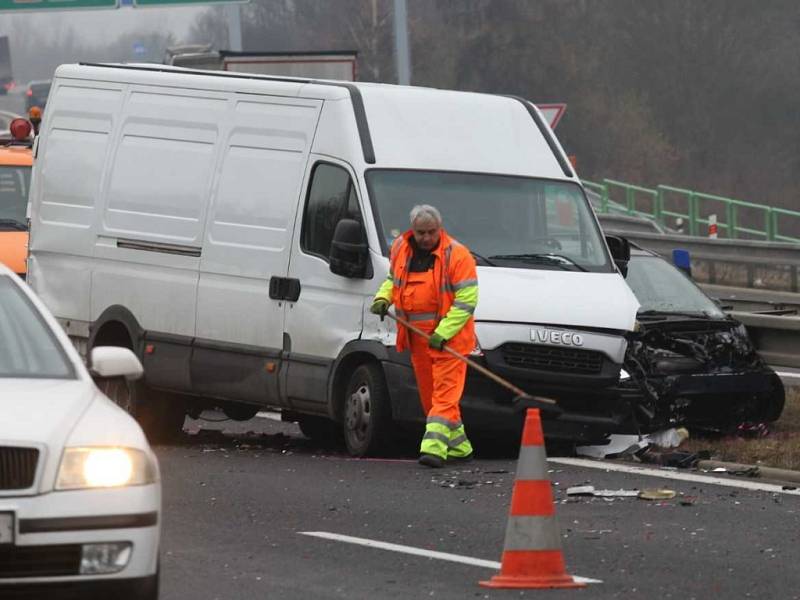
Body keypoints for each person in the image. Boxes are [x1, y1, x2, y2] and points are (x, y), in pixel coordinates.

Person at [370, 205, 479, 468]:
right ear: (413, 230)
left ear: (440, 229)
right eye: (421, 233)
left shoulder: (458, 255)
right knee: (431, 398)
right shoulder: (400, 248)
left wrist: (443, 332)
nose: (426, 238)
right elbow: (393, 280)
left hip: (449, 341)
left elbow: (466, 300)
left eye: (431, 232)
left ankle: (433, 448)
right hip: (418, 339)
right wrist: (384, 297)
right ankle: (461, 447)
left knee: (443, 397)